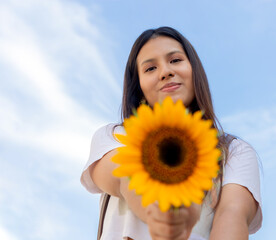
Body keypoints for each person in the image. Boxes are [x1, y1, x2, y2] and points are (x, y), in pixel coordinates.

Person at [81, 26, 262, 240]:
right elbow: (123, 177)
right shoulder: (116, 136)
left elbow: (232, 215)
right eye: (150, 68)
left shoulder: (234, 152)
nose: (165, 71)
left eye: (175, 60)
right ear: (138, 87)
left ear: (194, 69)